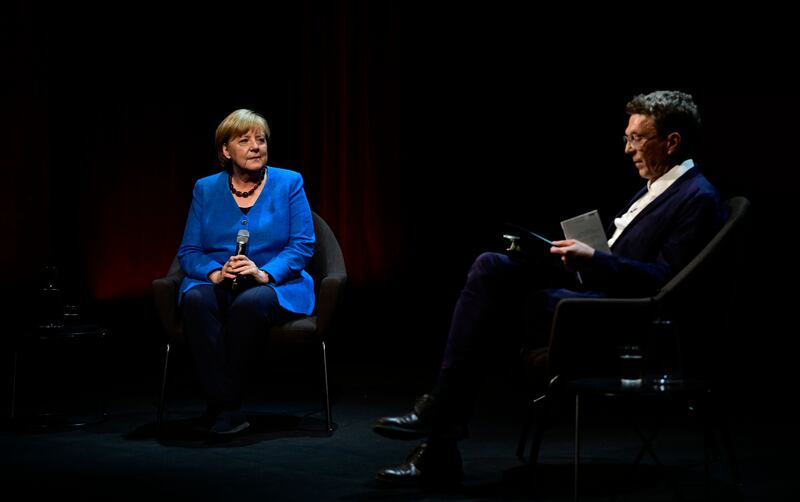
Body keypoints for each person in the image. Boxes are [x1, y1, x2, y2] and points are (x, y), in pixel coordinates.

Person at [372, 90, 727, 484]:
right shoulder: (655, 189)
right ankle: (441, 422)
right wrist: (573, 258)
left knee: (486, 315)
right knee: (491, 266)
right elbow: (627, 262)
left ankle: (440, 423)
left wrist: (595, 260)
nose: (628, 149)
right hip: (594, 296)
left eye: (637, 138)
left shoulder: (697, 198)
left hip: (617, 322)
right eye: (627, 138)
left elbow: (665, 282)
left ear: (672, 141)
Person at [177, 109, 315, 436]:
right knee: (196, 300)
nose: (256, 147)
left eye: (261, 139)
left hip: (274, 284)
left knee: (250, 304)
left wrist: (264, 272)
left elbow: (302, 244)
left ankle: (224, 406)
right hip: (220, 282)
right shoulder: (205, 189)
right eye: (244, 140)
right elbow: (189, 251)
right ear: (226, 150)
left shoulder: (289, 182)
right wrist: (215, 273)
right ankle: (226, 404)